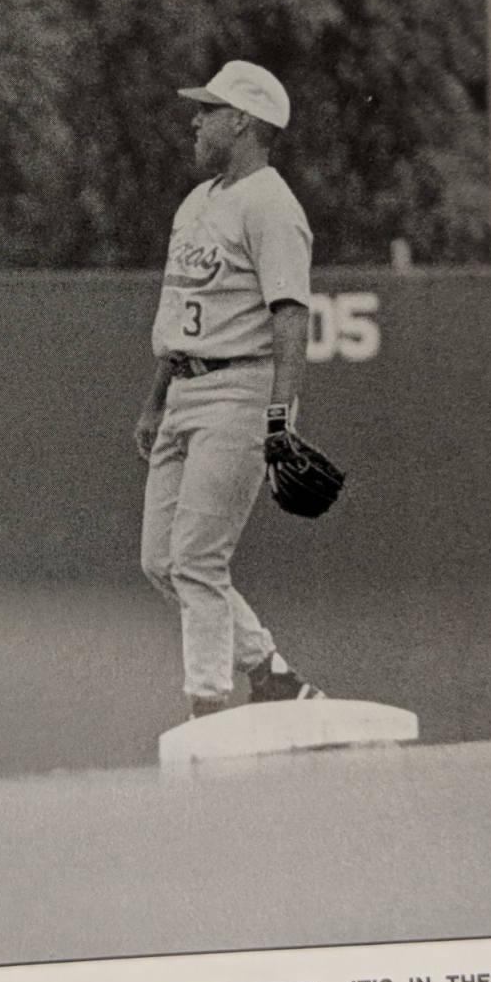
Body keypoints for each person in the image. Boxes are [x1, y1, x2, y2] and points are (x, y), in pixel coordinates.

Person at [135, 60, 326, 719]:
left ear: (241, 120)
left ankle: (209, 706)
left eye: (209, 109)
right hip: (185, 388)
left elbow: (291, 314)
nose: (196, 118)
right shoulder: (198, 200)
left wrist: (280, 419)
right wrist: (157, 397)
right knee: (161, 560)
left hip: (239, 391)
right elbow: (182, 305)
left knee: (197, 559)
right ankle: (268, 670)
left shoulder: (272, 203)